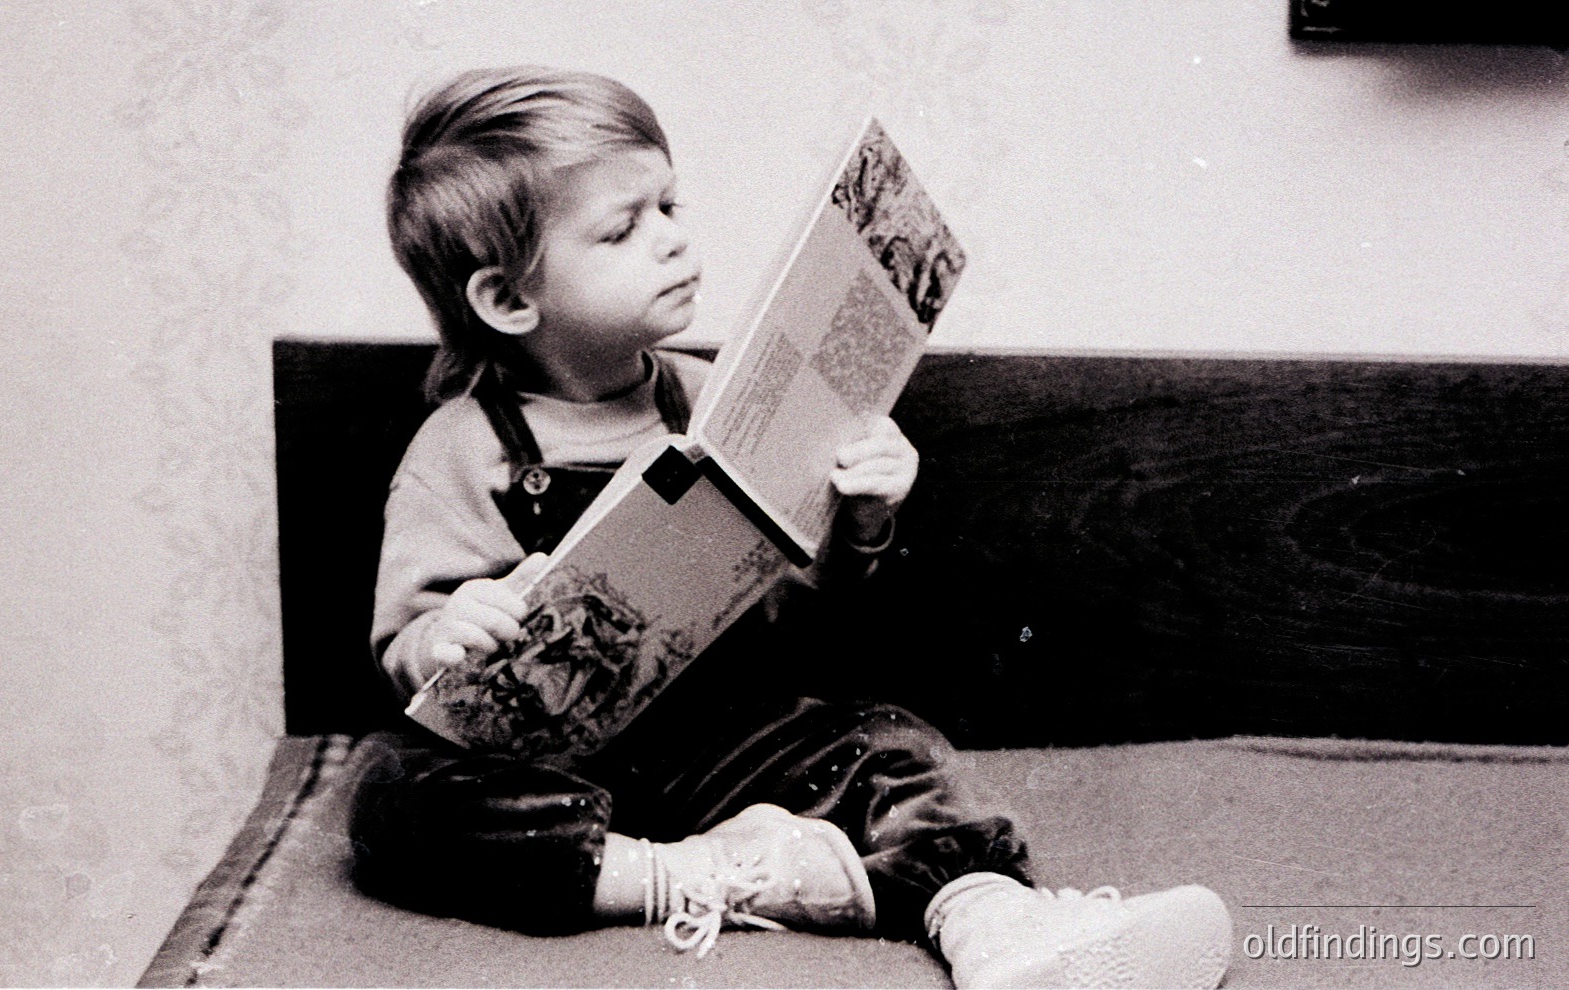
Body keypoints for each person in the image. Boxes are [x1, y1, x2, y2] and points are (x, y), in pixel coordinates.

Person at [349, 66, 1234, 989]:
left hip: (726, 742)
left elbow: (802, 598)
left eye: (668, 207)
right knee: (392, 796)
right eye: (622, 228)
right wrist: (448, 631)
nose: (672, 239)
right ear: (507, 300)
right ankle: (692, 878)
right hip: (562, 771)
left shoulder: (712, 399)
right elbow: (408, 643)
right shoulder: (464, 449)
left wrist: (861, 517)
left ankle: (997, 923)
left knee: (890, 747)